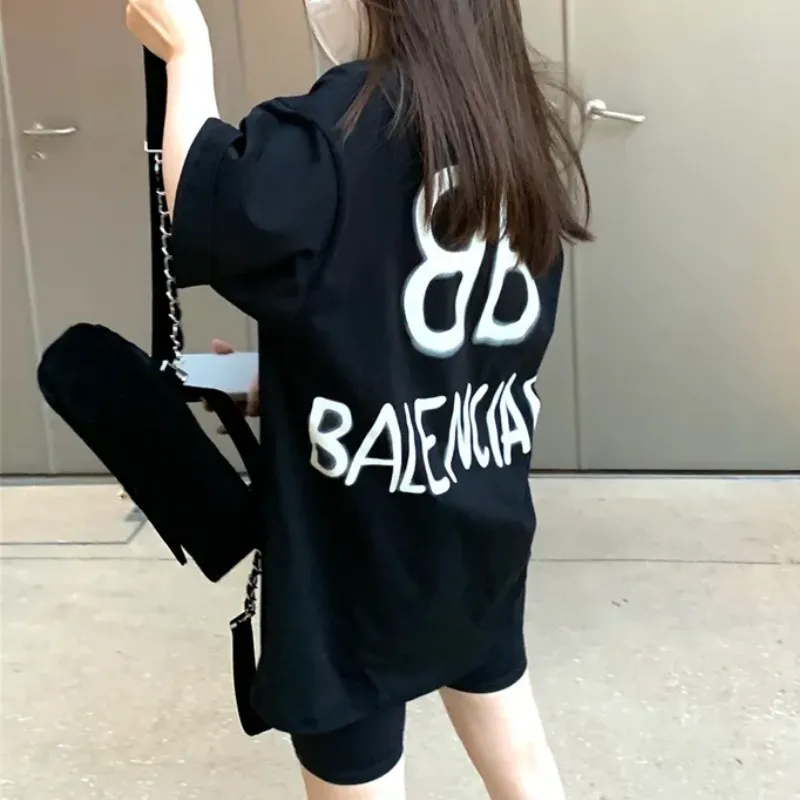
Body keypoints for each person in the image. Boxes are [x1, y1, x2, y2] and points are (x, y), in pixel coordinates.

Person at [126, 0, 592, 797]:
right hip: (478, 521)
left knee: (364, 775)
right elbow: (419, 335)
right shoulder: (508, 130)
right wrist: (281, 383)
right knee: (522, 761)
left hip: (352, 555)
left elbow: (209, 202)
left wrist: (185, 51)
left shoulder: (330, 134)